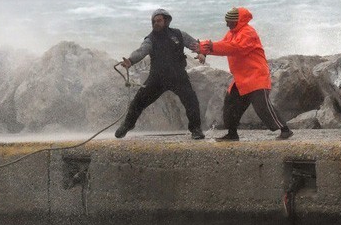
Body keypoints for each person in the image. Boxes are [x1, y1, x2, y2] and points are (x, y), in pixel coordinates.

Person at [198, 7, 292, 141]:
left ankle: (285, 130)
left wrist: (209, 47)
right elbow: (223, 45)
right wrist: (203, 49)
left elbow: (235, 48)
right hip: (241, 78)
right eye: (226, 21)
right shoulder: (232, 33)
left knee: (262, 106)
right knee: (230, 104)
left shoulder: (248, 32)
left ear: (238, 21)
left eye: (229, 21)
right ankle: (232, 134)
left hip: (256, 75)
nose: (227, 24)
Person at [116, 8, 207, 140]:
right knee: (138, 101)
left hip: (178, 76)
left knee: (191, 100)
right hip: (157, 78)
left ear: (166, 21)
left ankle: (196, 130)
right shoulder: (150, 39)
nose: (156, 23)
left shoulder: (178, 34)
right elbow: (142, 51)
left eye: (159, 20)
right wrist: (130, 61)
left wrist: (201, 53)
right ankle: (127, 125)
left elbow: (196, 45)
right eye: (154, 21)